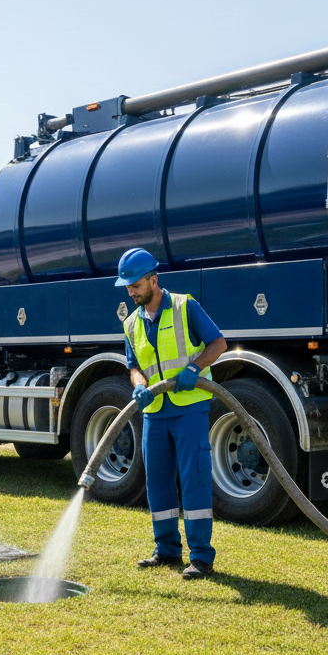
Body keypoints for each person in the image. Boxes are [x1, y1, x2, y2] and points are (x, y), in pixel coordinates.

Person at [118, 248, 227, 579]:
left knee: (193, 479)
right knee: (158, 482)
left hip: (189, 407)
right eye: (127, 287)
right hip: (154, 411)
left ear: (153, 280)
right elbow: (134, 366)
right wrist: (139, 384)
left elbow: (218, 344)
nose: (131, 292)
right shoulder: (131, 323)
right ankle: (165, 550)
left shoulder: (185, 306)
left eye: (136, 285)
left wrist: (195, 368)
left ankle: (201, 557)